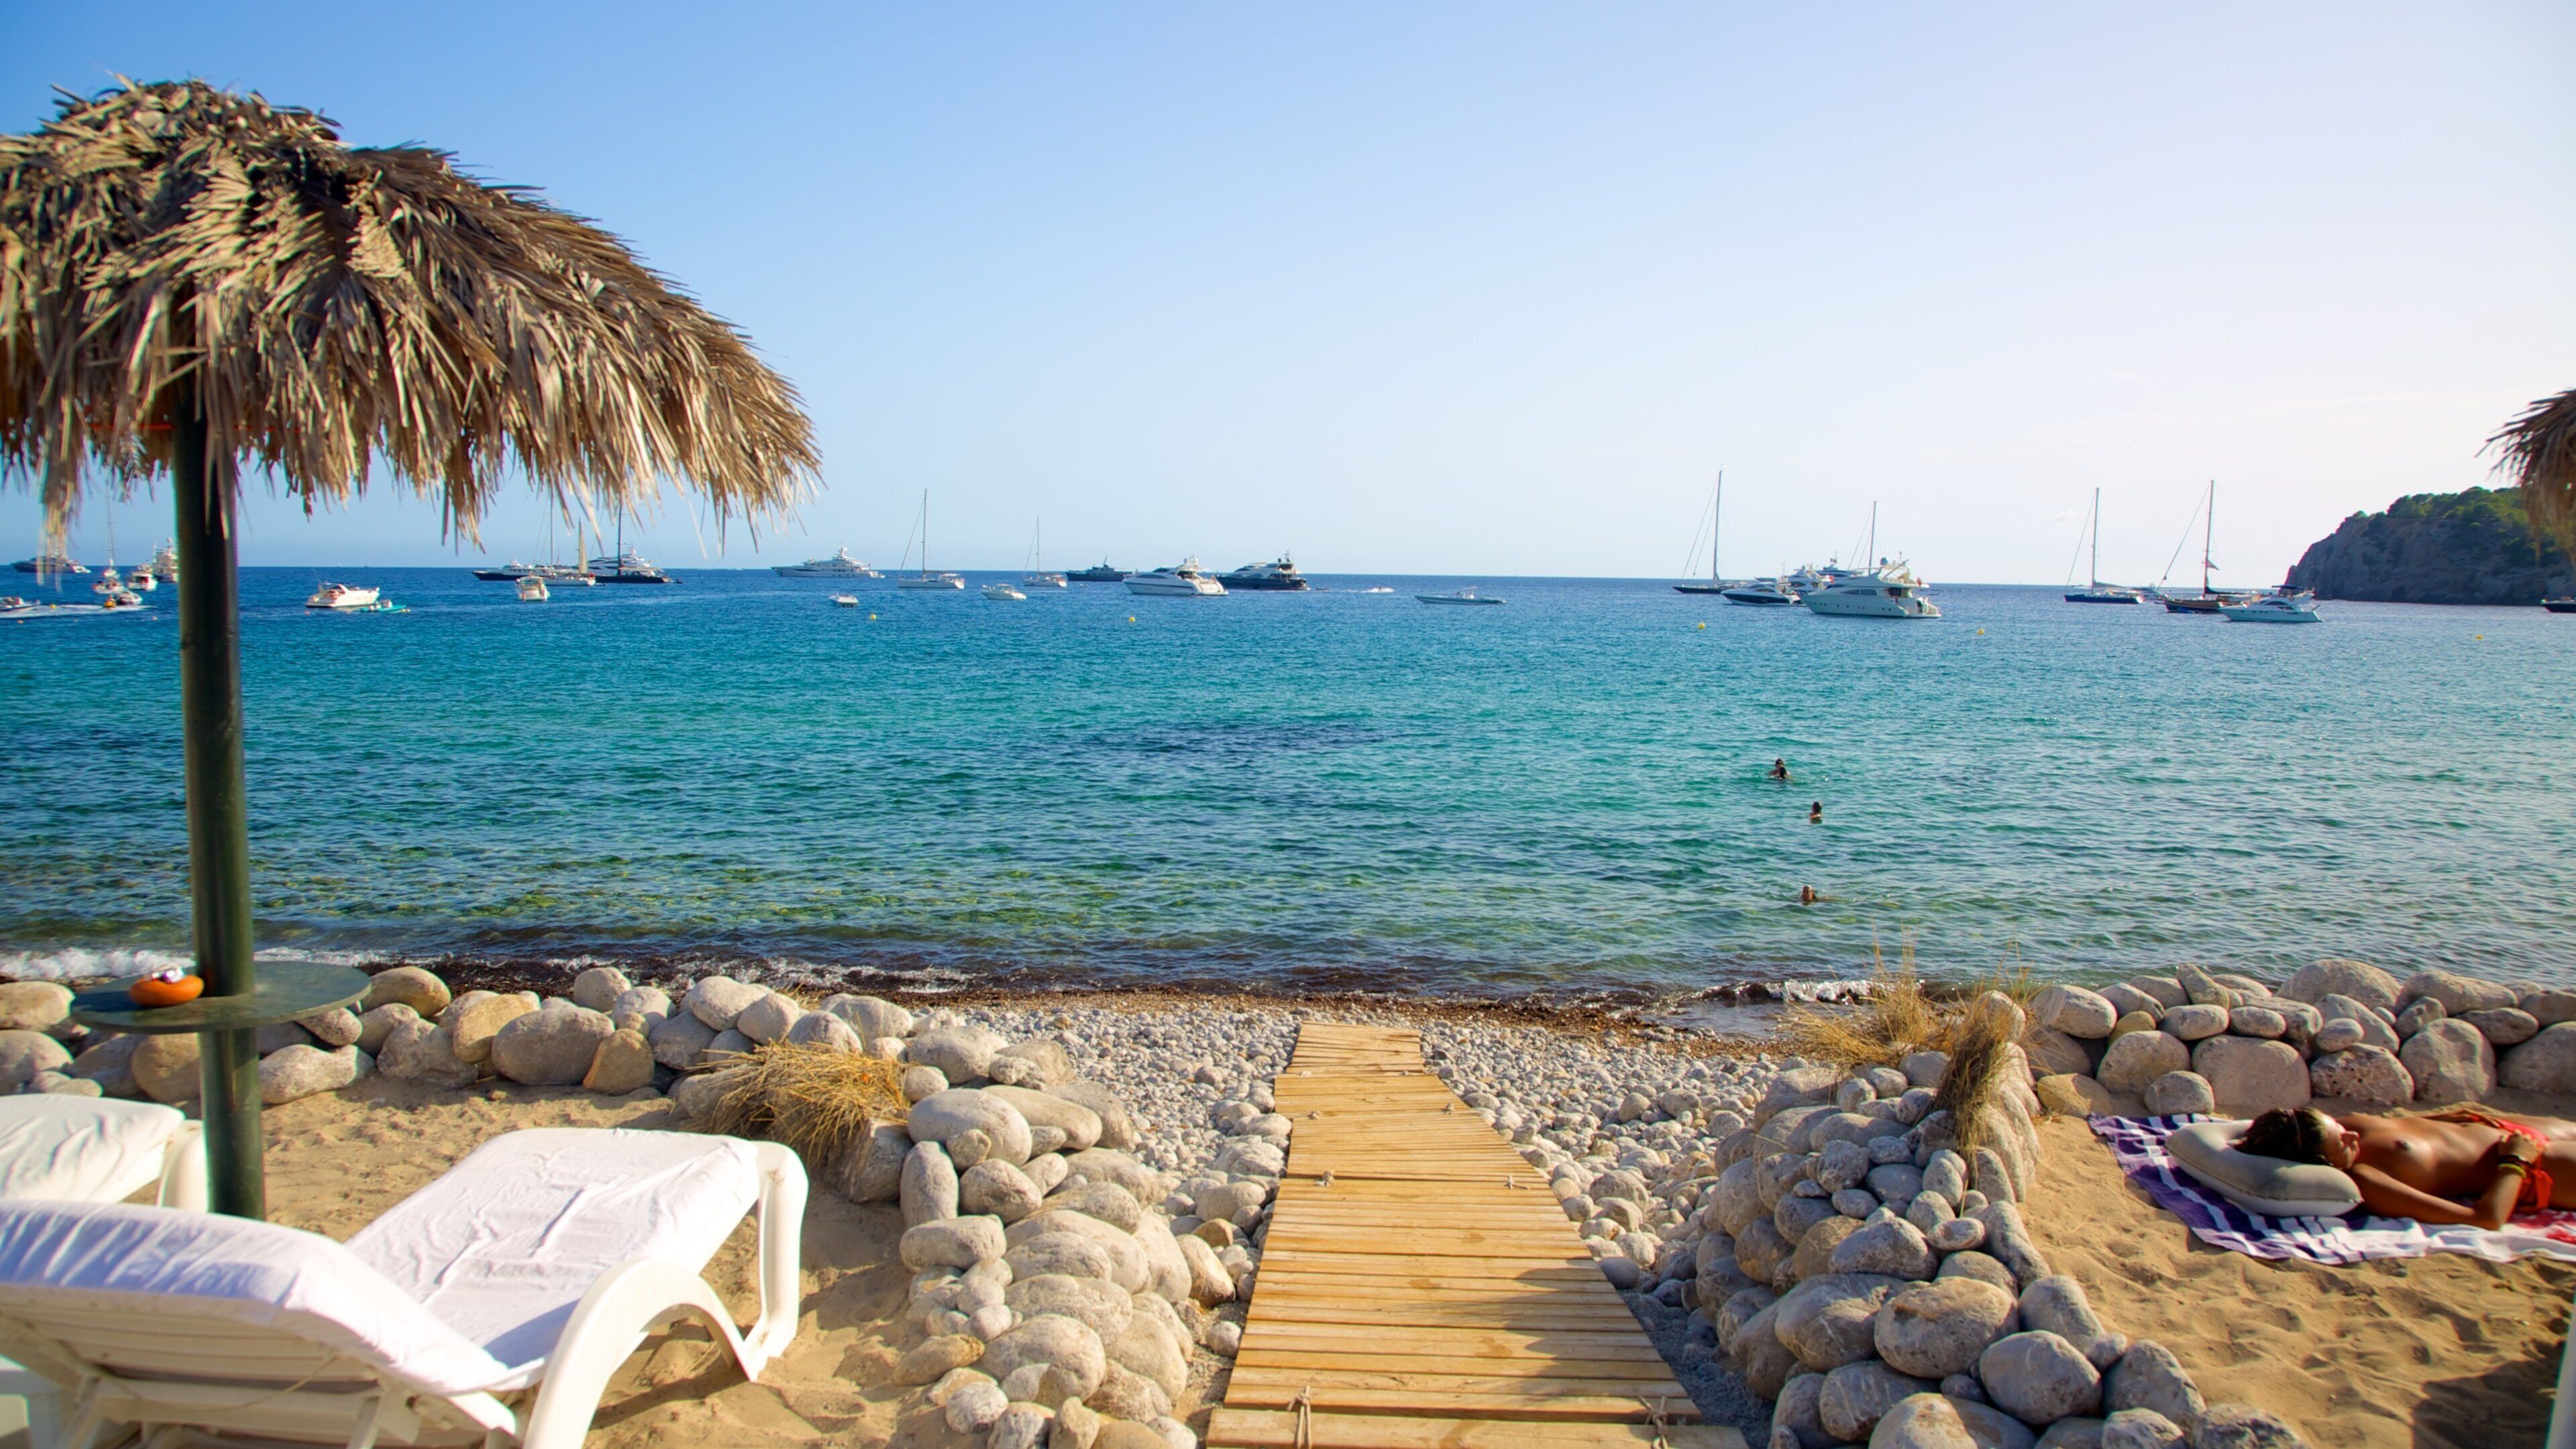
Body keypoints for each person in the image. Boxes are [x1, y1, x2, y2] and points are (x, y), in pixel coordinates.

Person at [2238, 1106, 2569, 1229]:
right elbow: (2486, 1219)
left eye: (2339, 1127)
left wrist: (2437, 1119)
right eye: (2342, 1144)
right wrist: (2516, 1162)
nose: (2353, 1134)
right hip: (2532, 1165)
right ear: (2323, 1165)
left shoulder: (2340, 1127)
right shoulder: (2369, 1181)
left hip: (2505, 1128)